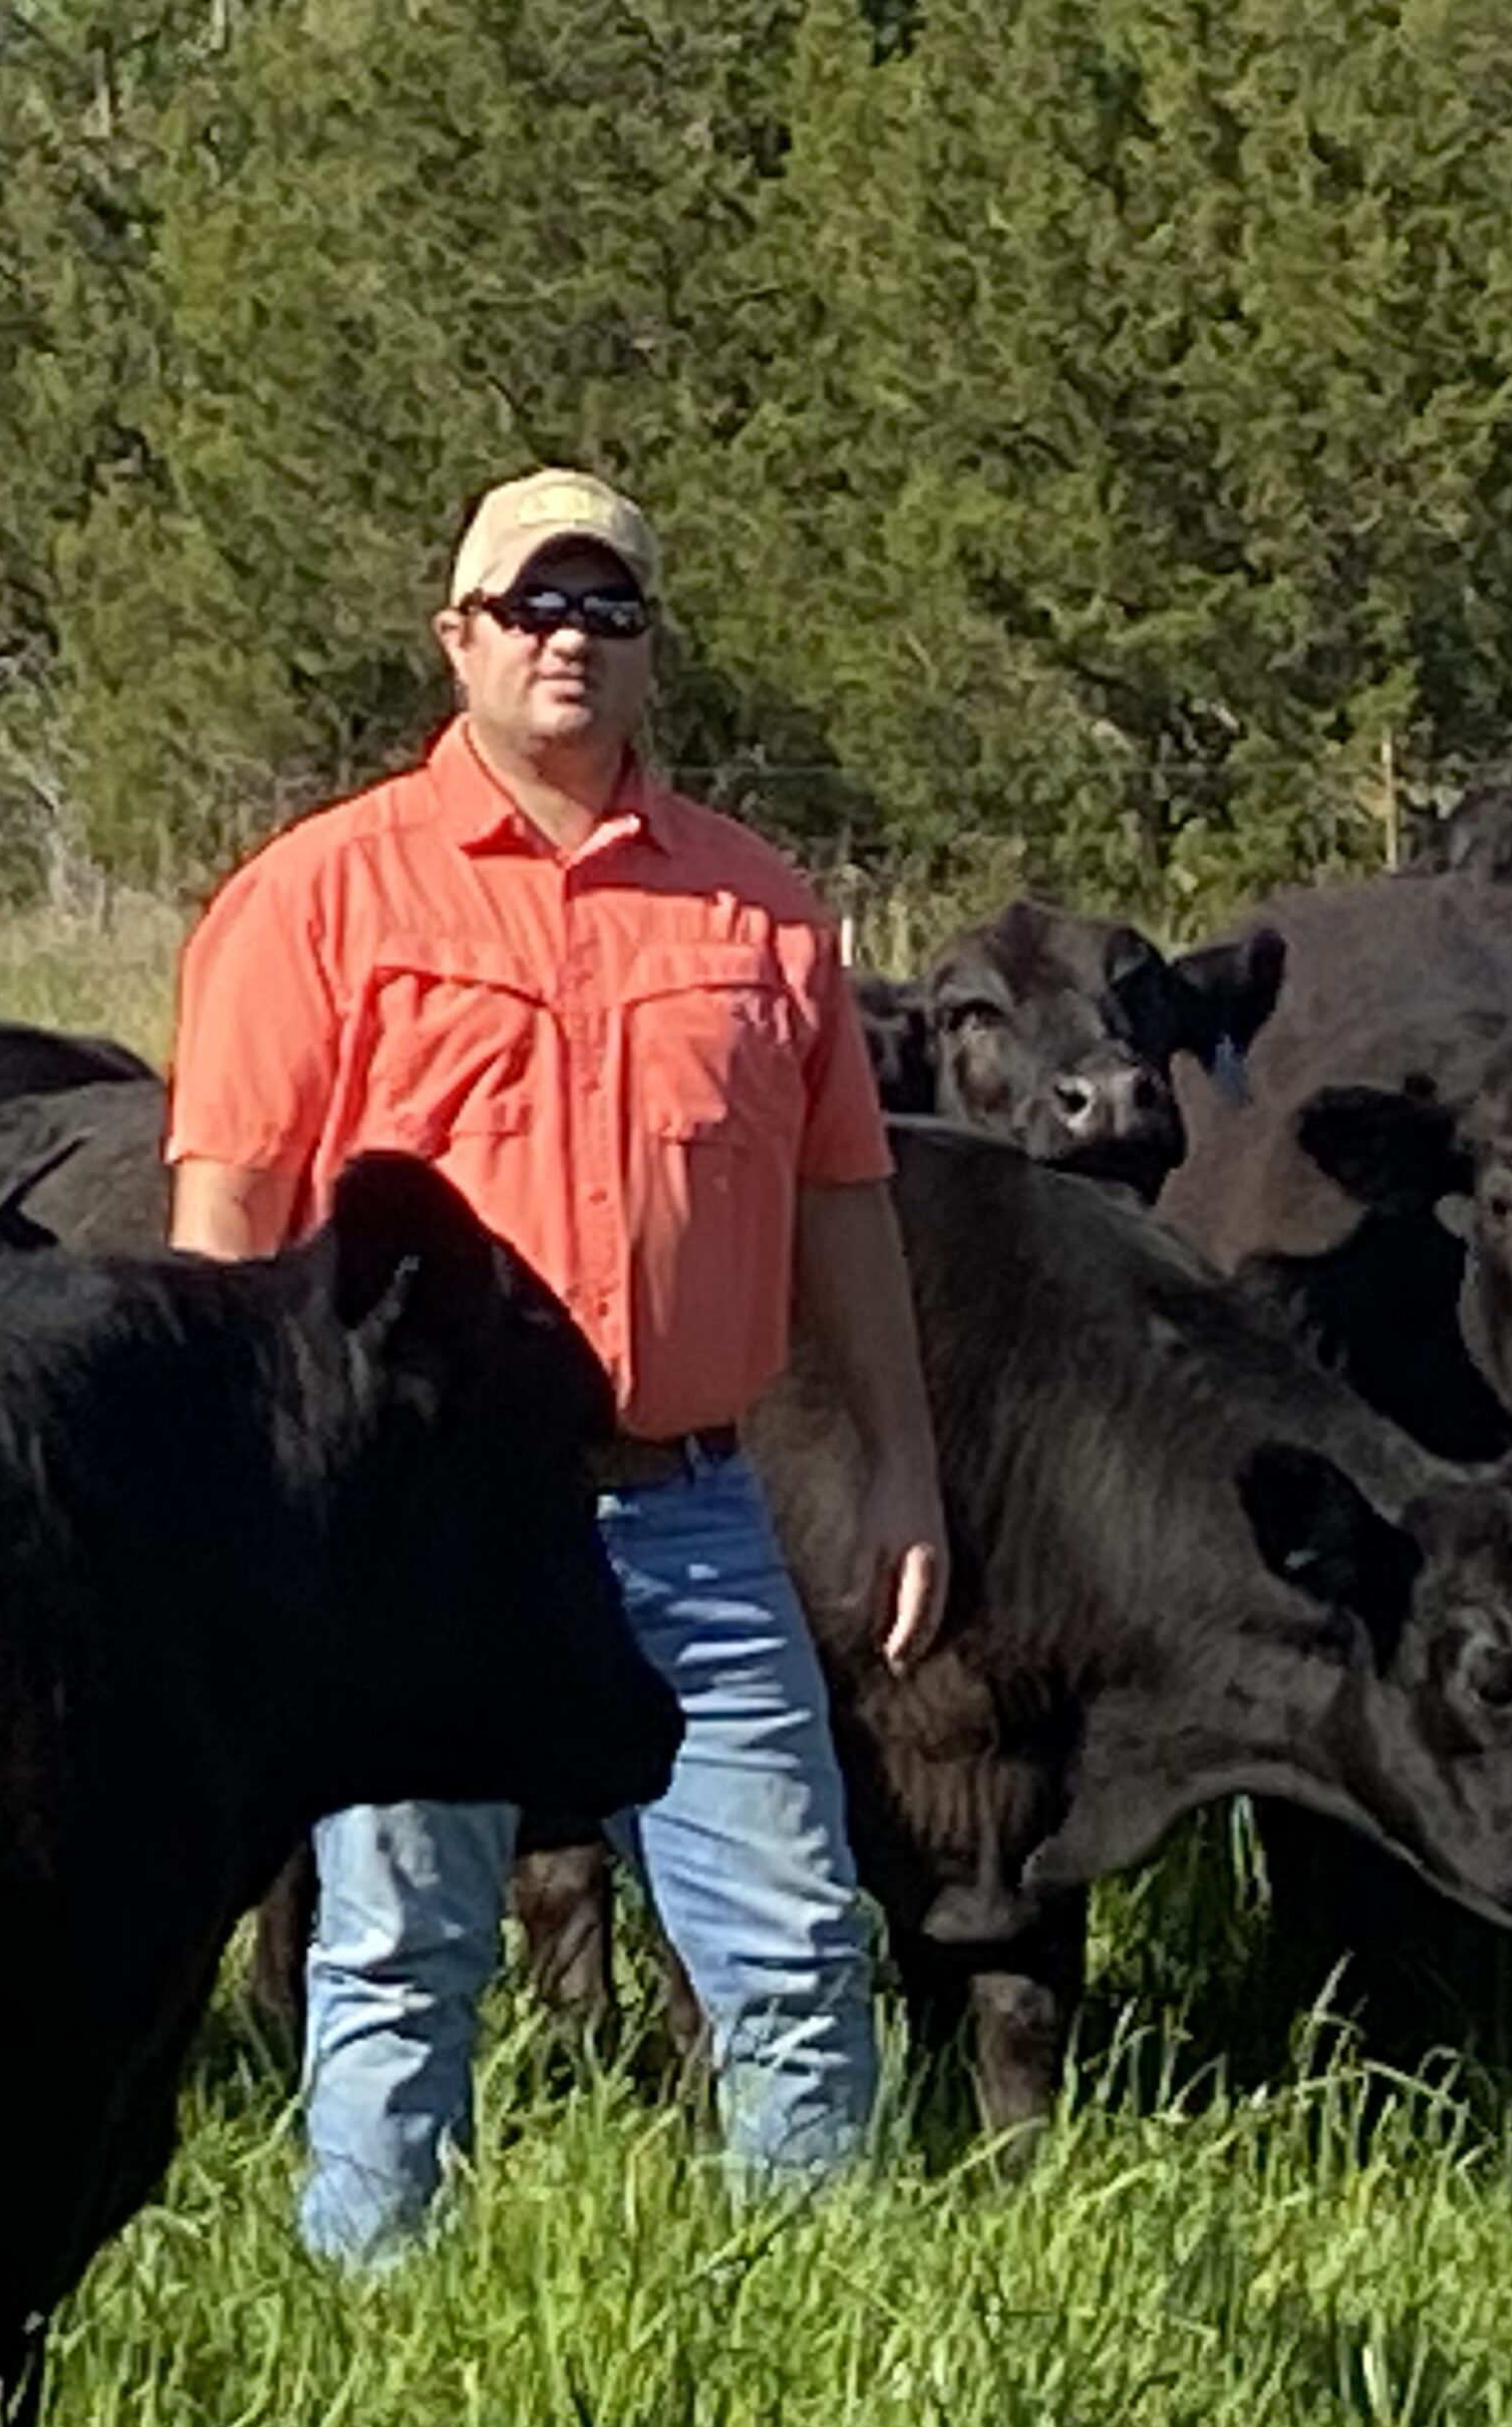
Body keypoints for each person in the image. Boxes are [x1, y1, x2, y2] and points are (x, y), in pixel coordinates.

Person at [165, 466, 948, 2269]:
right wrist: (225, 1505)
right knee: (396, 1939)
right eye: (533, 607)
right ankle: (380, 2308)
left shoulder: (756, 911)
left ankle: (808, 2309)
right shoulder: (318, 900)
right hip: (416, 1518)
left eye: (607, 609)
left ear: (652, 648)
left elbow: (844, 1200)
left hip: (689, 1496)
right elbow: (228, 1217)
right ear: (460, 638)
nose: (568, 641)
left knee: (794, 1935)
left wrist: (903, 1463)